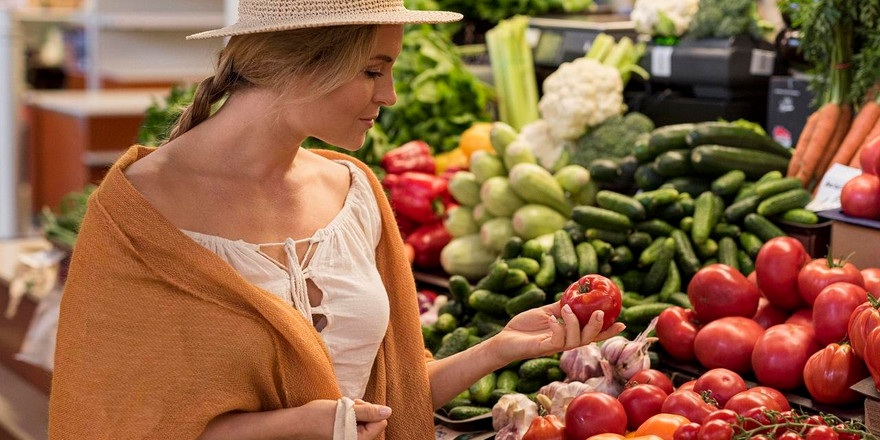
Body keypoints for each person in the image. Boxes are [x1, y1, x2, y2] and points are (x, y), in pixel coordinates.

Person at [48, 0, 625, 438]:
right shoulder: (135, 217)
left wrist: (498, 349)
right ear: (301, 64)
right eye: (374, 70)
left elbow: (390, 397)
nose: (392, 94)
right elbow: (115, 424)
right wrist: (297, 426)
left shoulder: (354, 192)